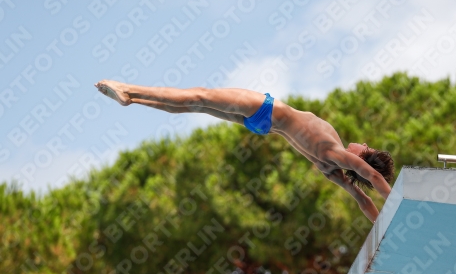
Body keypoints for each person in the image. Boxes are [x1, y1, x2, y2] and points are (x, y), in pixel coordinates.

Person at [95, 80, 394, 223]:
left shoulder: (340, 156)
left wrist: (399, 203)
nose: (363, 144)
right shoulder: (333, 170)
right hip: (263, 126)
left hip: (266, 109)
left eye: (366, 149)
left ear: (361, 158)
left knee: (198, 96)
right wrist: (383, 228)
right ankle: (132, 99)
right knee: (194, 105)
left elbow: (371, 179)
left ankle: (129, 90)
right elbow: (363, 200)